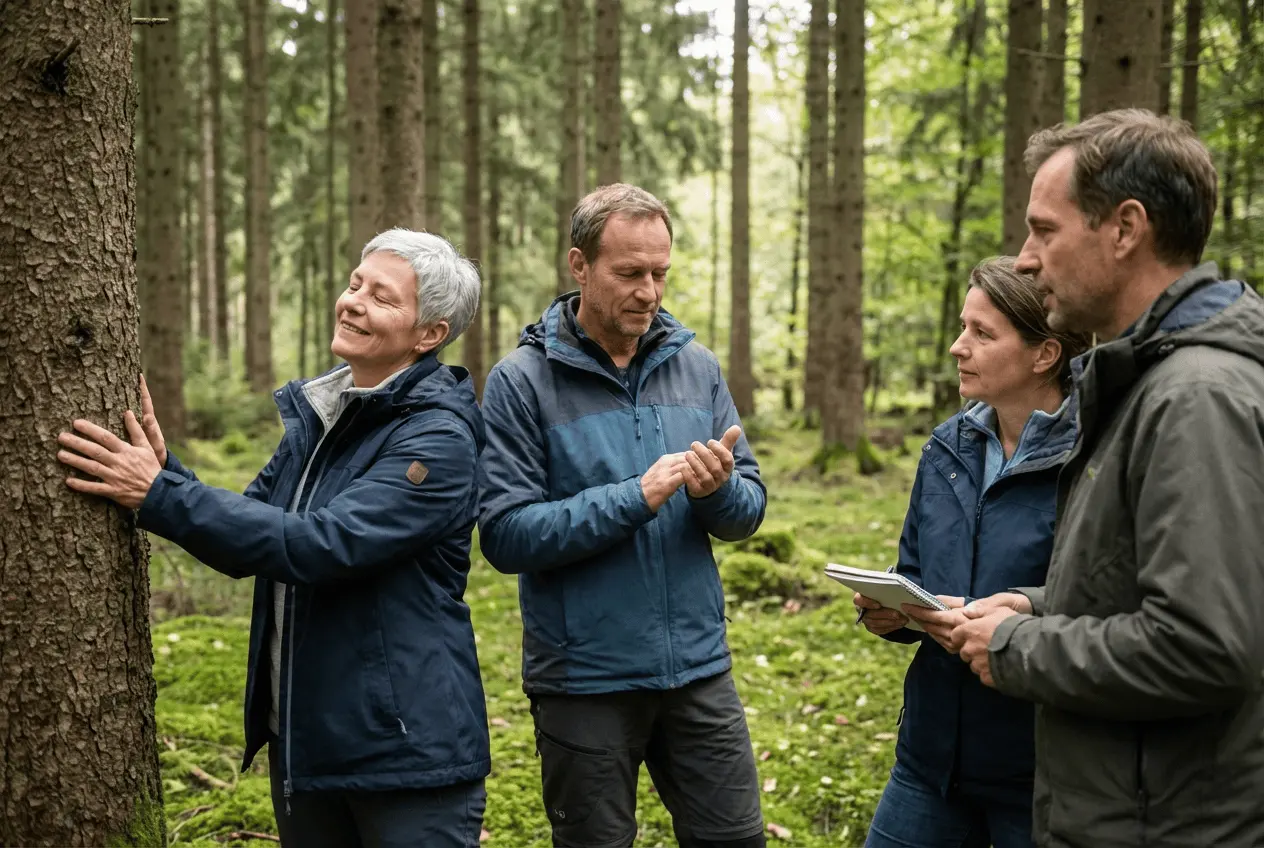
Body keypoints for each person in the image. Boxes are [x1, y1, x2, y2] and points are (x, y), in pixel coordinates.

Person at [56, 229, 491, 847]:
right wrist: (165, 471)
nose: (353, 302)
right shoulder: (328, 417)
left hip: (406, 757)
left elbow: (323, 545)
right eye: (355, 284)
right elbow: (256, 522)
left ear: (430, 334)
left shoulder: (437, 438)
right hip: (308, 744)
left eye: (382, 297)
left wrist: (158, 494)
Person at [947, 109, 1264, 846]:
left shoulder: (1196, 398)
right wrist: (1036, 604)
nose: (1026, 259)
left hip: (1166, 822)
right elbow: (1154, 586)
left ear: (1125, 229)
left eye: (1044, 231)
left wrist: (1017, 648)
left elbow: (1205, 647)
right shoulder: (1146, 382)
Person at [477, 183, 769, 848]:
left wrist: (716, 492)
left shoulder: (696, 367)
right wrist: (633, 497)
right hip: (584, 683)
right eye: (630, 273)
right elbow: (505, 534)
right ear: (579, 265)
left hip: (698, 670)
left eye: (660, 273)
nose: (649, 292)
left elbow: (746, 510)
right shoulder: (522, 381)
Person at [853, 256, 1089, 848]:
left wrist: (1023, 611)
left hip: (1038, 770)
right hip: (928, 759)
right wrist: (892, 610)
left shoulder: (1092, 459)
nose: (959, 347)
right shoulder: (945, 448)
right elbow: (915, 570)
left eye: (982, 333)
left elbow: (1110, 598)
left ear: (1044, 354)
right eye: (964, 326)